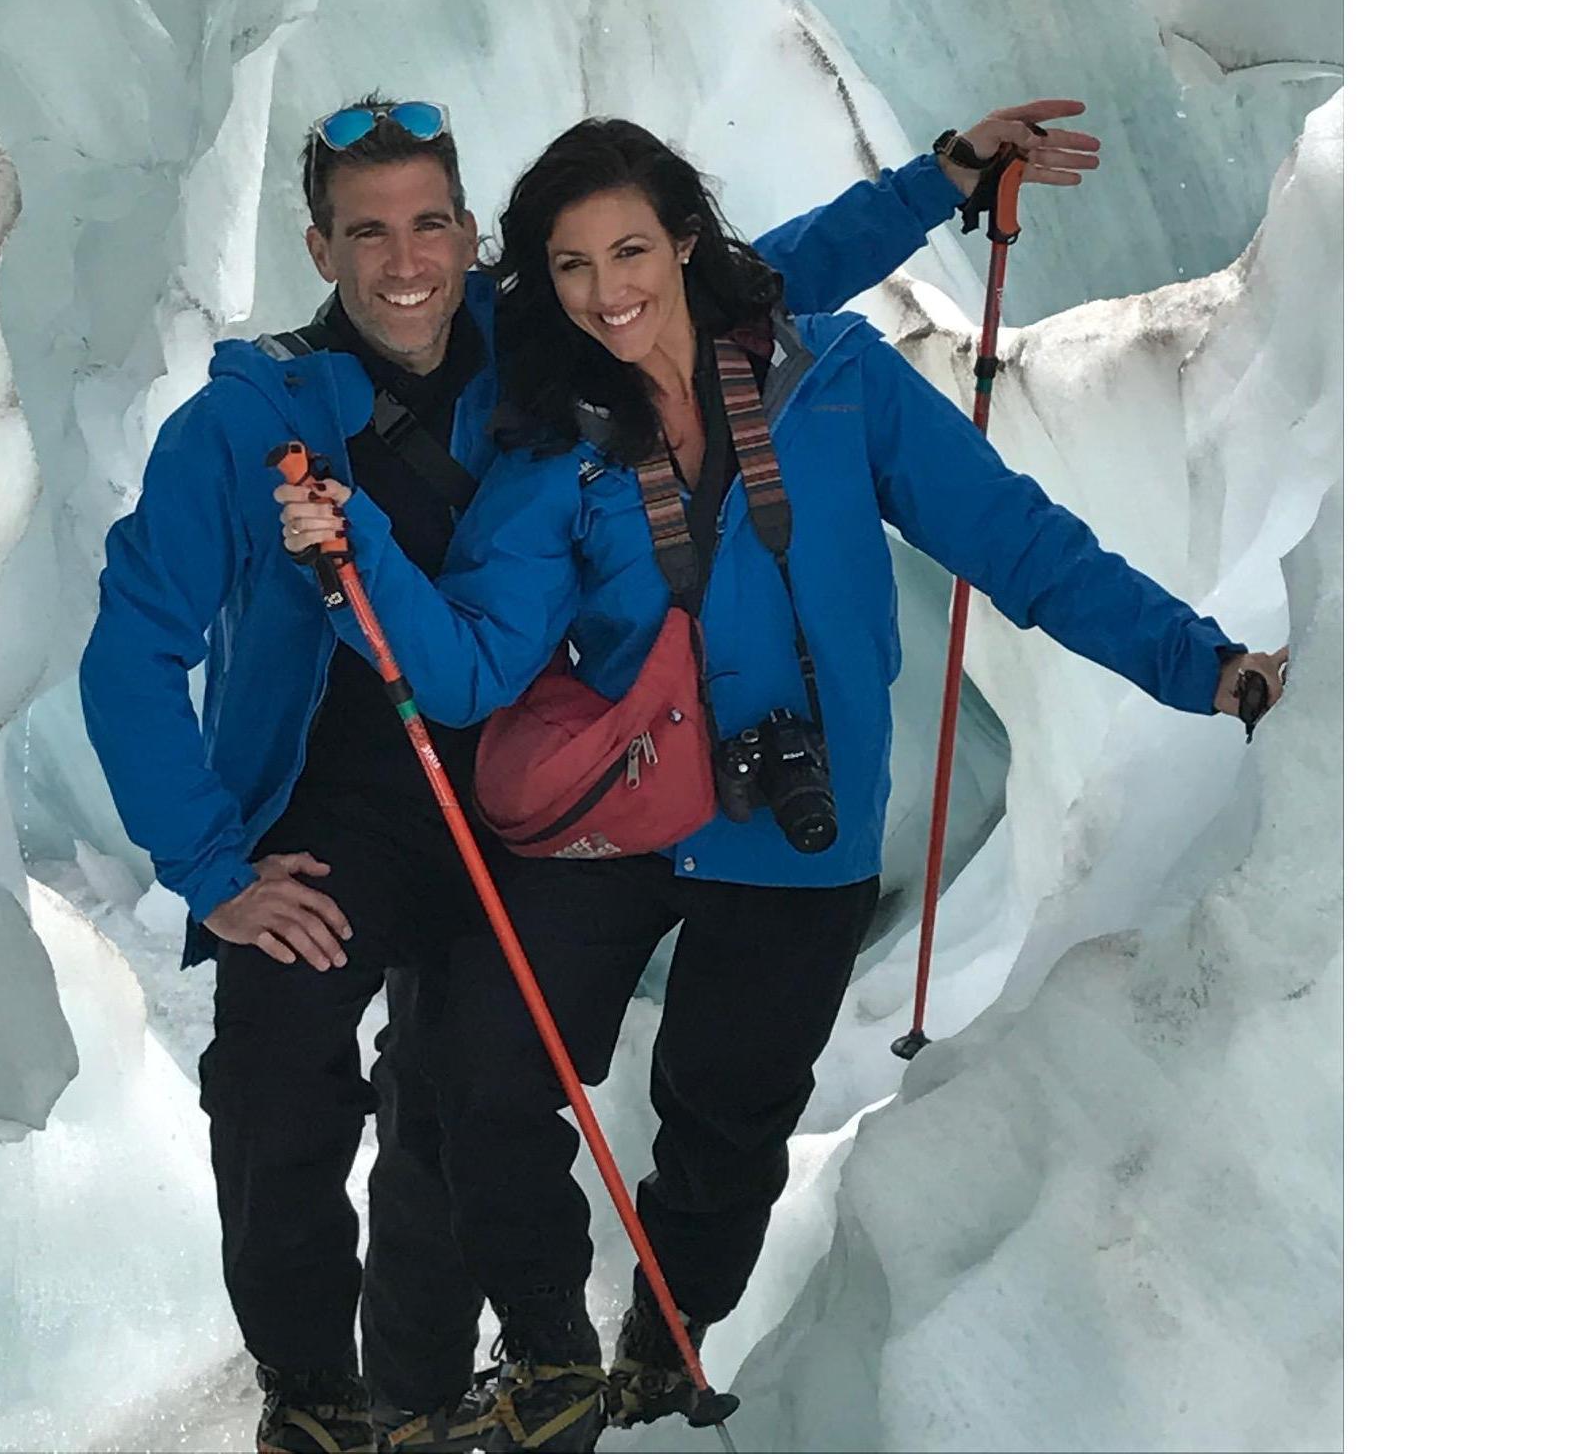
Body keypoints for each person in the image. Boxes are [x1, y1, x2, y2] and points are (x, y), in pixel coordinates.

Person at [80, 94, 1101, 1454]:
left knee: (446, 1081)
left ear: (464, 233)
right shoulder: (256, 419)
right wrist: (212, 872)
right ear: (320, 250)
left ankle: (428, 1398)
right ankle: (316, 1398)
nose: (404, 261)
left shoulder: (528, 338)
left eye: (430, 223)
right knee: (275, 1057)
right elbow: (131, 649)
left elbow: (732, 285)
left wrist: (938, 184)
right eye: (367, 232)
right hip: (343, 792)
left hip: (533, 772)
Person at [275, 118, 1288, 1452]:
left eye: (630, 248)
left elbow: (1021, 547)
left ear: (688, 243)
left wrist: (1203, 665)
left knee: (725, 1128)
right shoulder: (552, 454)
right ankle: (549, 1360)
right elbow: (464, 673)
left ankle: (659, 1347)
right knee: (477, 1075)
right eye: (571, 266)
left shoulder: (836, 385)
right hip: (622, 818)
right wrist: (348, 564)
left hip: (795, 832)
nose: (605, 288)